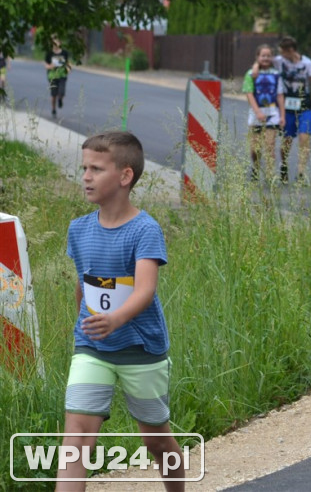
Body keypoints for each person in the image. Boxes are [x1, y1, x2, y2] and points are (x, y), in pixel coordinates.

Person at [57, 131, 185, 491]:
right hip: (92, 347)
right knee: (77, 437)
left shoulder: (144, 229)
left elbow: (145, 289)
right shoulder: (78, 229)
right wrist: (85, 326)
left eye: (96, 169)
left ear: (125, 176)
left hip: (140, 350)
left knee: (156, 442)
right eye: (84, 168)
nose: (85, 176)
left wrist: (116, 319)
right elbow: (83, 287)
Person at [253, 36, 311, 184]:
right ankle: (284, 165)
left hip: (305, 104)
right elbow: (263, 60)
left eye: (283, 51)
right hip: (287, 106)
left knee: (304, 138)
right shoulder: (279, 61)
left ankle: (301, 173)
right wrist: (255, 66)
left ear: (291, 50)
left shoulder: (308, 63)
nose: (280, 54)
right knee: (287, 140)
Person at [242, 44, 286, 182]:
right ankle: (255, 168)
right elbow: (249, 94)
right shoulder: (251, 74)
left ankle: (270, 175)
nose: (266, 58)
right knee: (255, 149)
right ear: (258, 57)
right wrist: (258, 112)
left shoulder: (277, 74)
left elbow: (280, 95)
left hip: (273, 114)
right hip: (256, 114)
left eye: (268, 55)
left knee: (270, 145)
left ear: (271, 57)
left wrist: (283, 116)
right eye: (263, 55)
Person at [45, 35, 72, 117]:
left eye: (57, 42)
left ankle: (60, 99)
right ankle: (53, 109)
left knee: (62, 91)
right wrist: (50, 66)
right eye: (54, 42)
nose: (55, 44)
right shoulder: (49, 53)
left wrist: (68, 69)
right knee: (53, 94)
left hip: (62, 75)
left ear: (60, 43)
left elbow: (68, 63)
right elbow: (46, 65)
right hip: (52, 76)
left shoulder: (64, 53)